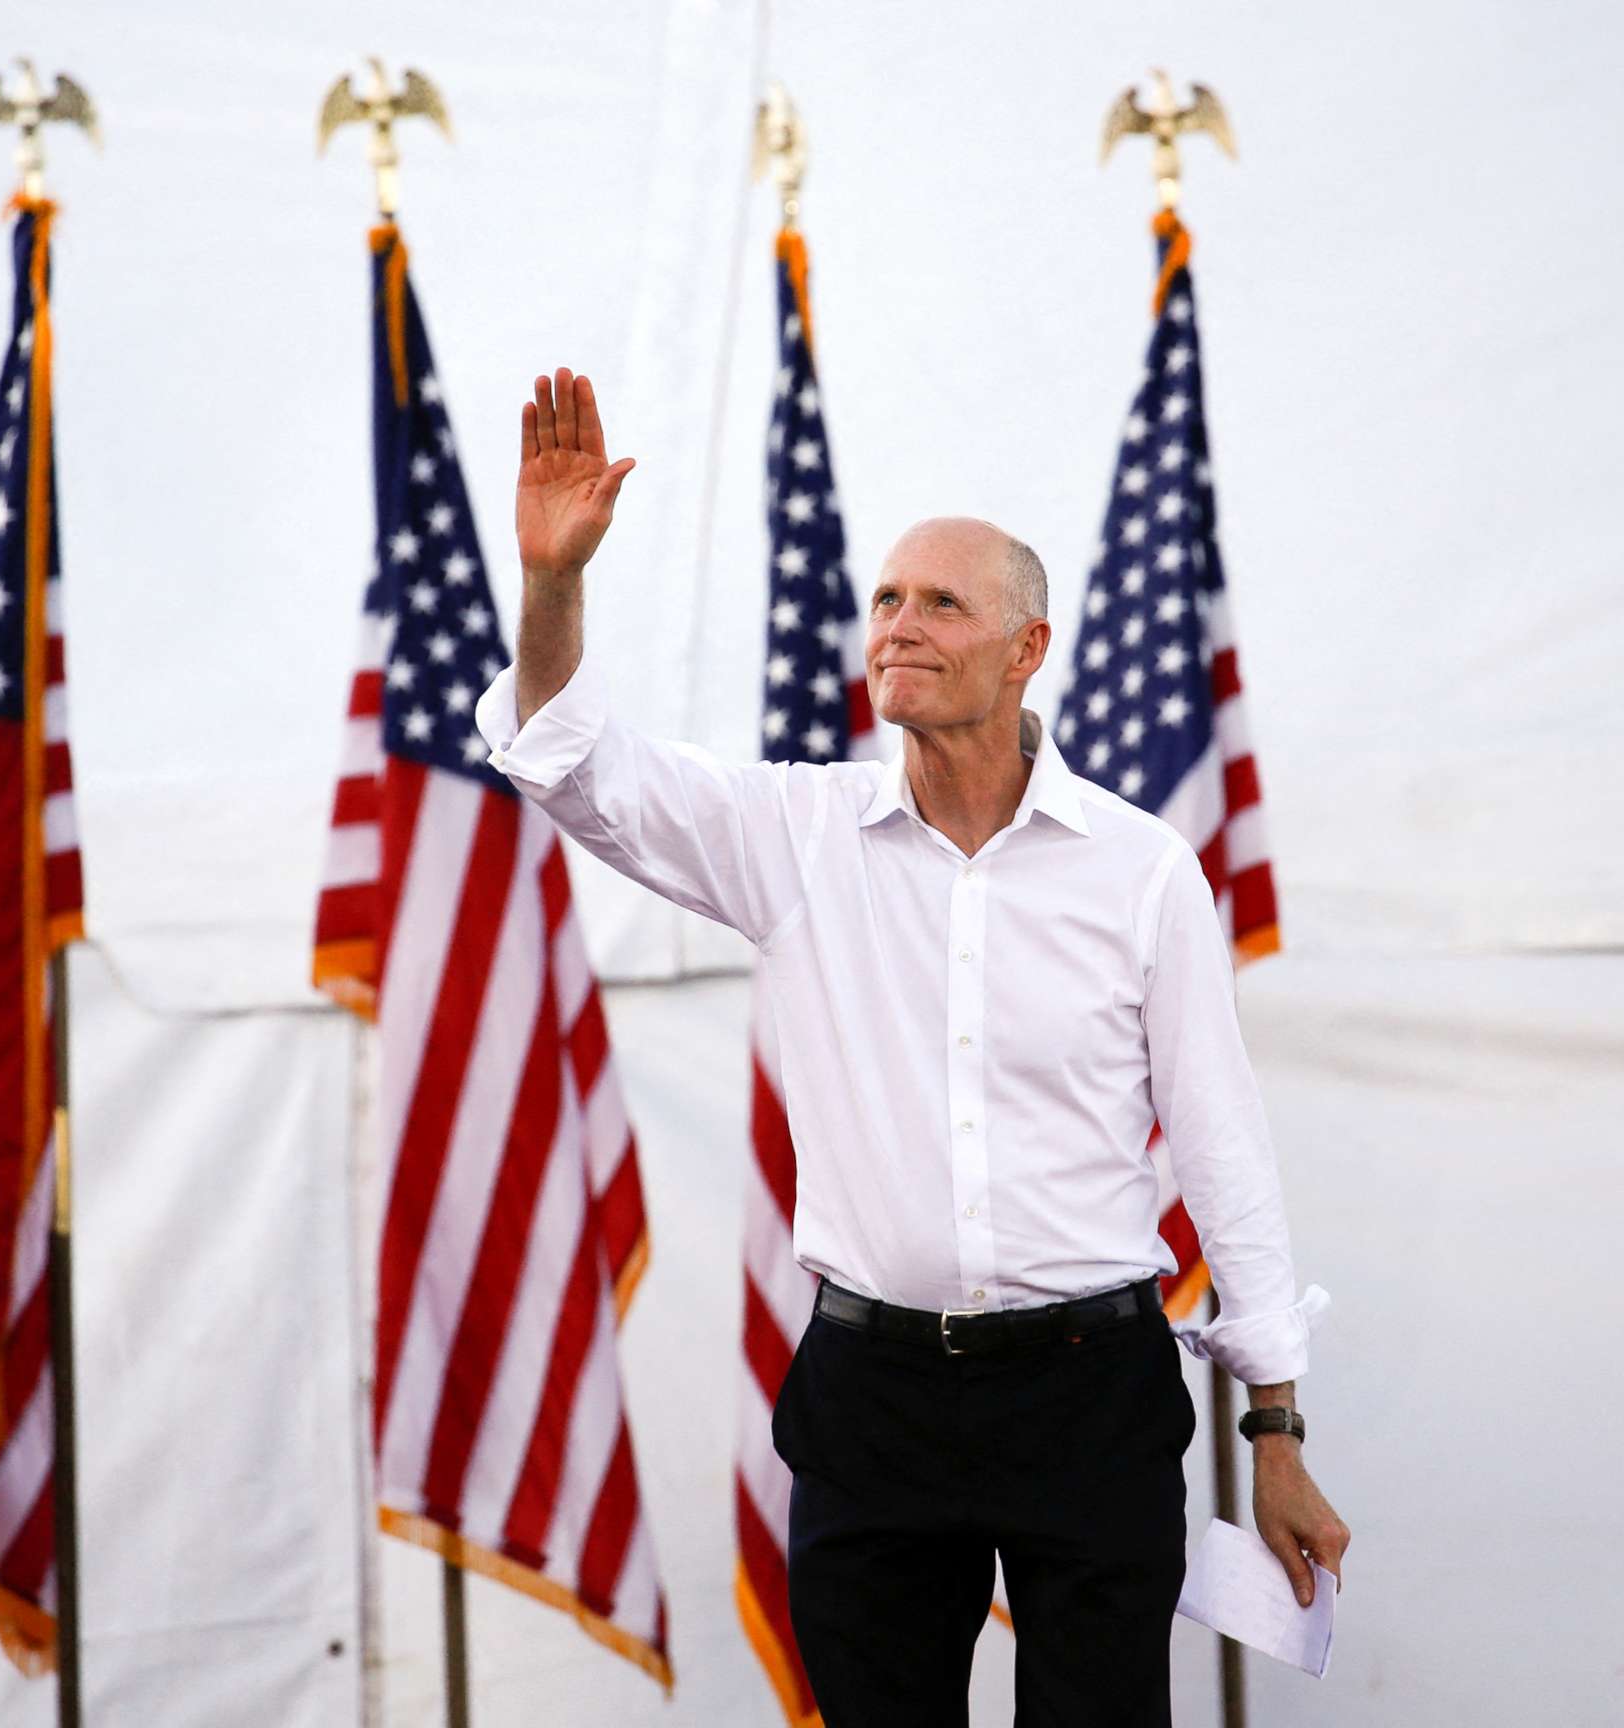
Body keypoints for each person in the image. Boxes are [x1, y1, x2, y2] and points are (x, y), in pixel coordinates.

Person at [474, 369, 1349, 1726]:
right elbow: (571, 765)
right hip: (874, 1401)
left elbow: (1226, 1151)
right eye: (886, 600)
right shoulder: (795, 835)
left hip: (1092, 1396)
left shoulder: (1143, 870)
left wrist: (1277, 1432)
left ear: (1027, 649)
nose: (900, 625)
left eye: (941, 602)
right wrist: (551, 587)